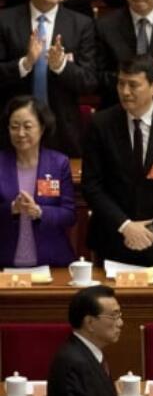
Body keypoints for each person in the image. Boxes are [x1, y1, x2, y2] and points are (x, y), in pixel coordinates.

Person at [80, 54, 153, 266]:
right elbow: (92, 186)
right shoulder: (100, 124)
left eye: (133, 85)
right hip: (111, 238)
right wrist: (126, 226)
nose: (125, 92)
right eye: (121, 83)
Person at [0, 0, 96, 157]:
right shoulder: (4, 21)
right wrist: (25, 63)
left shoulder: (81, 24)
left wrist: (61, 66)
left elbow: (89, 80)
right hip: (13, 127)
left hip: (63, 128)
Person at [34, 285, 127, 396]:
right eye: (113, 316)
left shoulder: (88, 355)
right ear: (90, 322)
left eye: (119, 314)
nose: (120, 323)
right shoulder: (73, 363)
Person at [0, 96, 74, 268]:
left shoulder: (58, 163)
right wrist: (12, 209)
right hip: (5, 262)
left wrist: (39, 212)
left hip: (52, 261)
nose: (20, 133)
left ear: (42, 128)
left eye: (27, 126)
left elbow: (69, 214)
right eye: (14, 127)